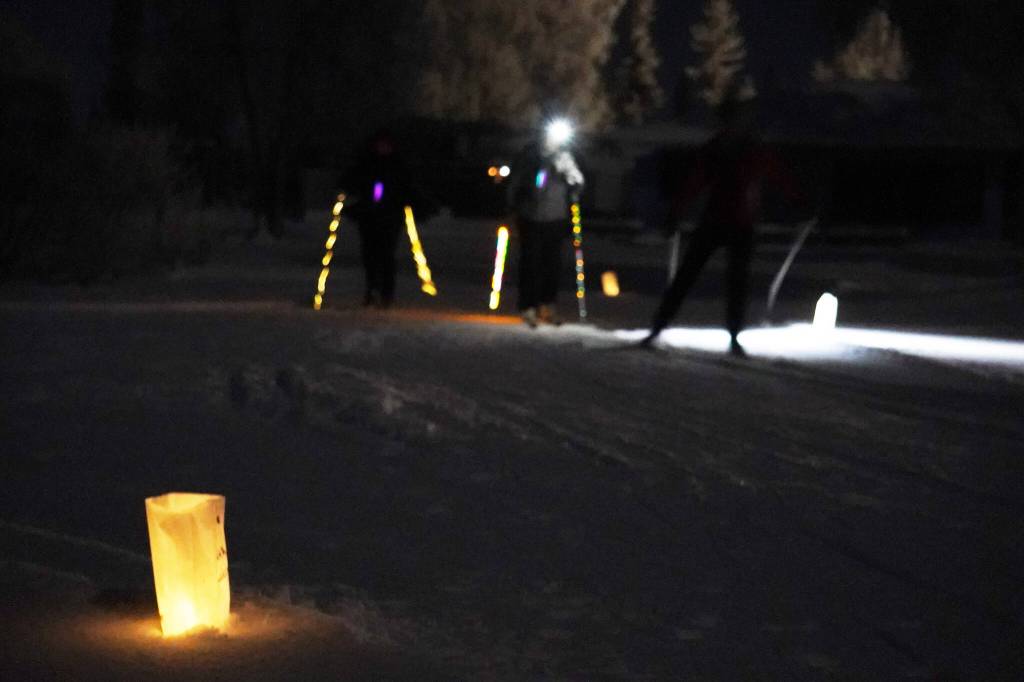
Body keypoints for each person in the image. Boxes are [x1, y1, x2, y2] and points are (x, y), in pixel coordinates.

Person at [641, 94, 800, 355]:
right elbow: (694, 184)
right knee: (688, 276)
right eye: (732, 121)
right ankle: (659, 326)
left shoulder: (751, 150)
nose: (735, 126)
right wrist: (676, 213)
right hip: (715, 221)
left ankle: (734, 336)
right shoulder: (717, 150)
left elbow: (780, 177)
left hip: (741, 225)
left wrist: (798, 201)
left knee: (736, 283)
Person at [507, 120, 585, 327]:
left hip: (555, 217)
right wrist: (545, 167)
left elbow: (577, 180)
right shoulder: (532, 156)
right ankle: (528, 306)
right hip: (531, 216)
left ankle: (547, 305)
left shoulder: (564, 157)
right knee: (531, 263)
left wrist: (572, 180)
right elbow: (536, 185)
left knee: (552, 264)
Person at [343, 129, 415, 308]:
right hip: (369, 216)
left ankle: (386, 294)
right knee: (369, 254)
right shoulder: (367, 164)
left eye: (386, 145)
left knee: (386, 255)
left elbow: (406, 186)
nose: (383, 148)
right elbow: (354, 181)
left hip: (389, 216)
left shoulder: (397, 165)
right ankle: (371, 290)